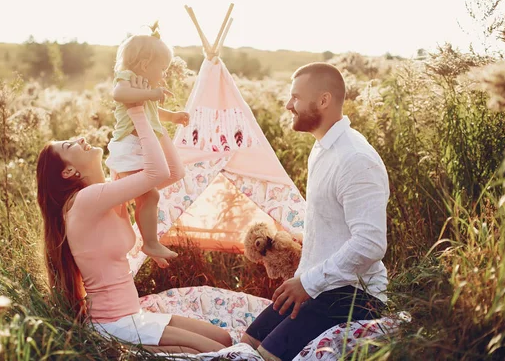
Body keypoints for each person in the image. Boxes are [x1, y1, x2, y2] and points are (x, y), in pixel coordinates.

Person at [36, 75, 231, 354]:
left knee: (223, 340)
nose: (80, 138)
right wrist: (137, 111)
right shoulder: (85, 200)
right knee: (214, 353)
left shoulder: (107, 191)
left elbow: (174, 172)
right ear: (69, 172)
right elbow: (157, 173)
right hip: (114, 324)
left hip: (132, 316)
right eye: (69, 146)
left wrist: (152, 118)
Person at [241, 63, 389, 361]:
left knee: (264, 356)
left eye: (295, 97)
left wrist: (308, 284)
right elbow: (332, 226)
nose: (288, 105)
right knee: (246, 344)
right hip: (319, 287)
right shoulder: (321, 149)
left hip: (354, 295)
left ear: (323, 100)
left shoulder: (356, 159)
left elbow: (371, 243)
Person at [106, 21, 189, 260]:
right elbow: (119, 94)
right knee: (151, 195)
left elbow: (152, 110)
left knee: (158, 186)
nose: (163, 74)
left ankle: (135, 198)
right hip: (128, 148)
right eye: (162, 68)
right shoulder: (128, 78)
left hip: (141, 147)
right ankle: (150, 243)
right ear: (144, 64)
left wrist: (171, 116)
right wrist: (152, 93)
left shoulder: (145, 87)